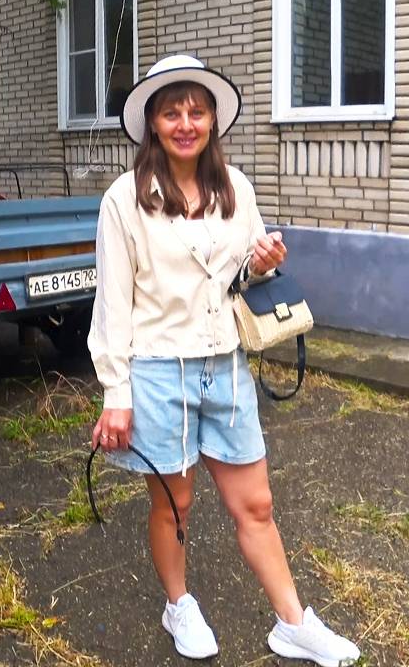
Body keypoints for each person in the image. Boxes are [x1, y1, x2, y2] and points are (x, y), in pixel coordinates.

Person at [87, 54, 361, 667]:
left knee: (256, 504)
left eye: (197, 111)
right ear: (153, 124)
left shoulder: (236, 188)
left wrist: (260, 264)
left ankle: (294, 624)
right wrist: (115, 392)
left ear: (213, 119)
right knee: (175, 506)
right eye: (172, 113)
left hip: (226, 367)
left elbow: (240, 277)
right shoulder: (124, 200)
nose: (186, 124)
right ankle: (178, 603)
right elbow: (113, 303)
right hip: (159, 371)